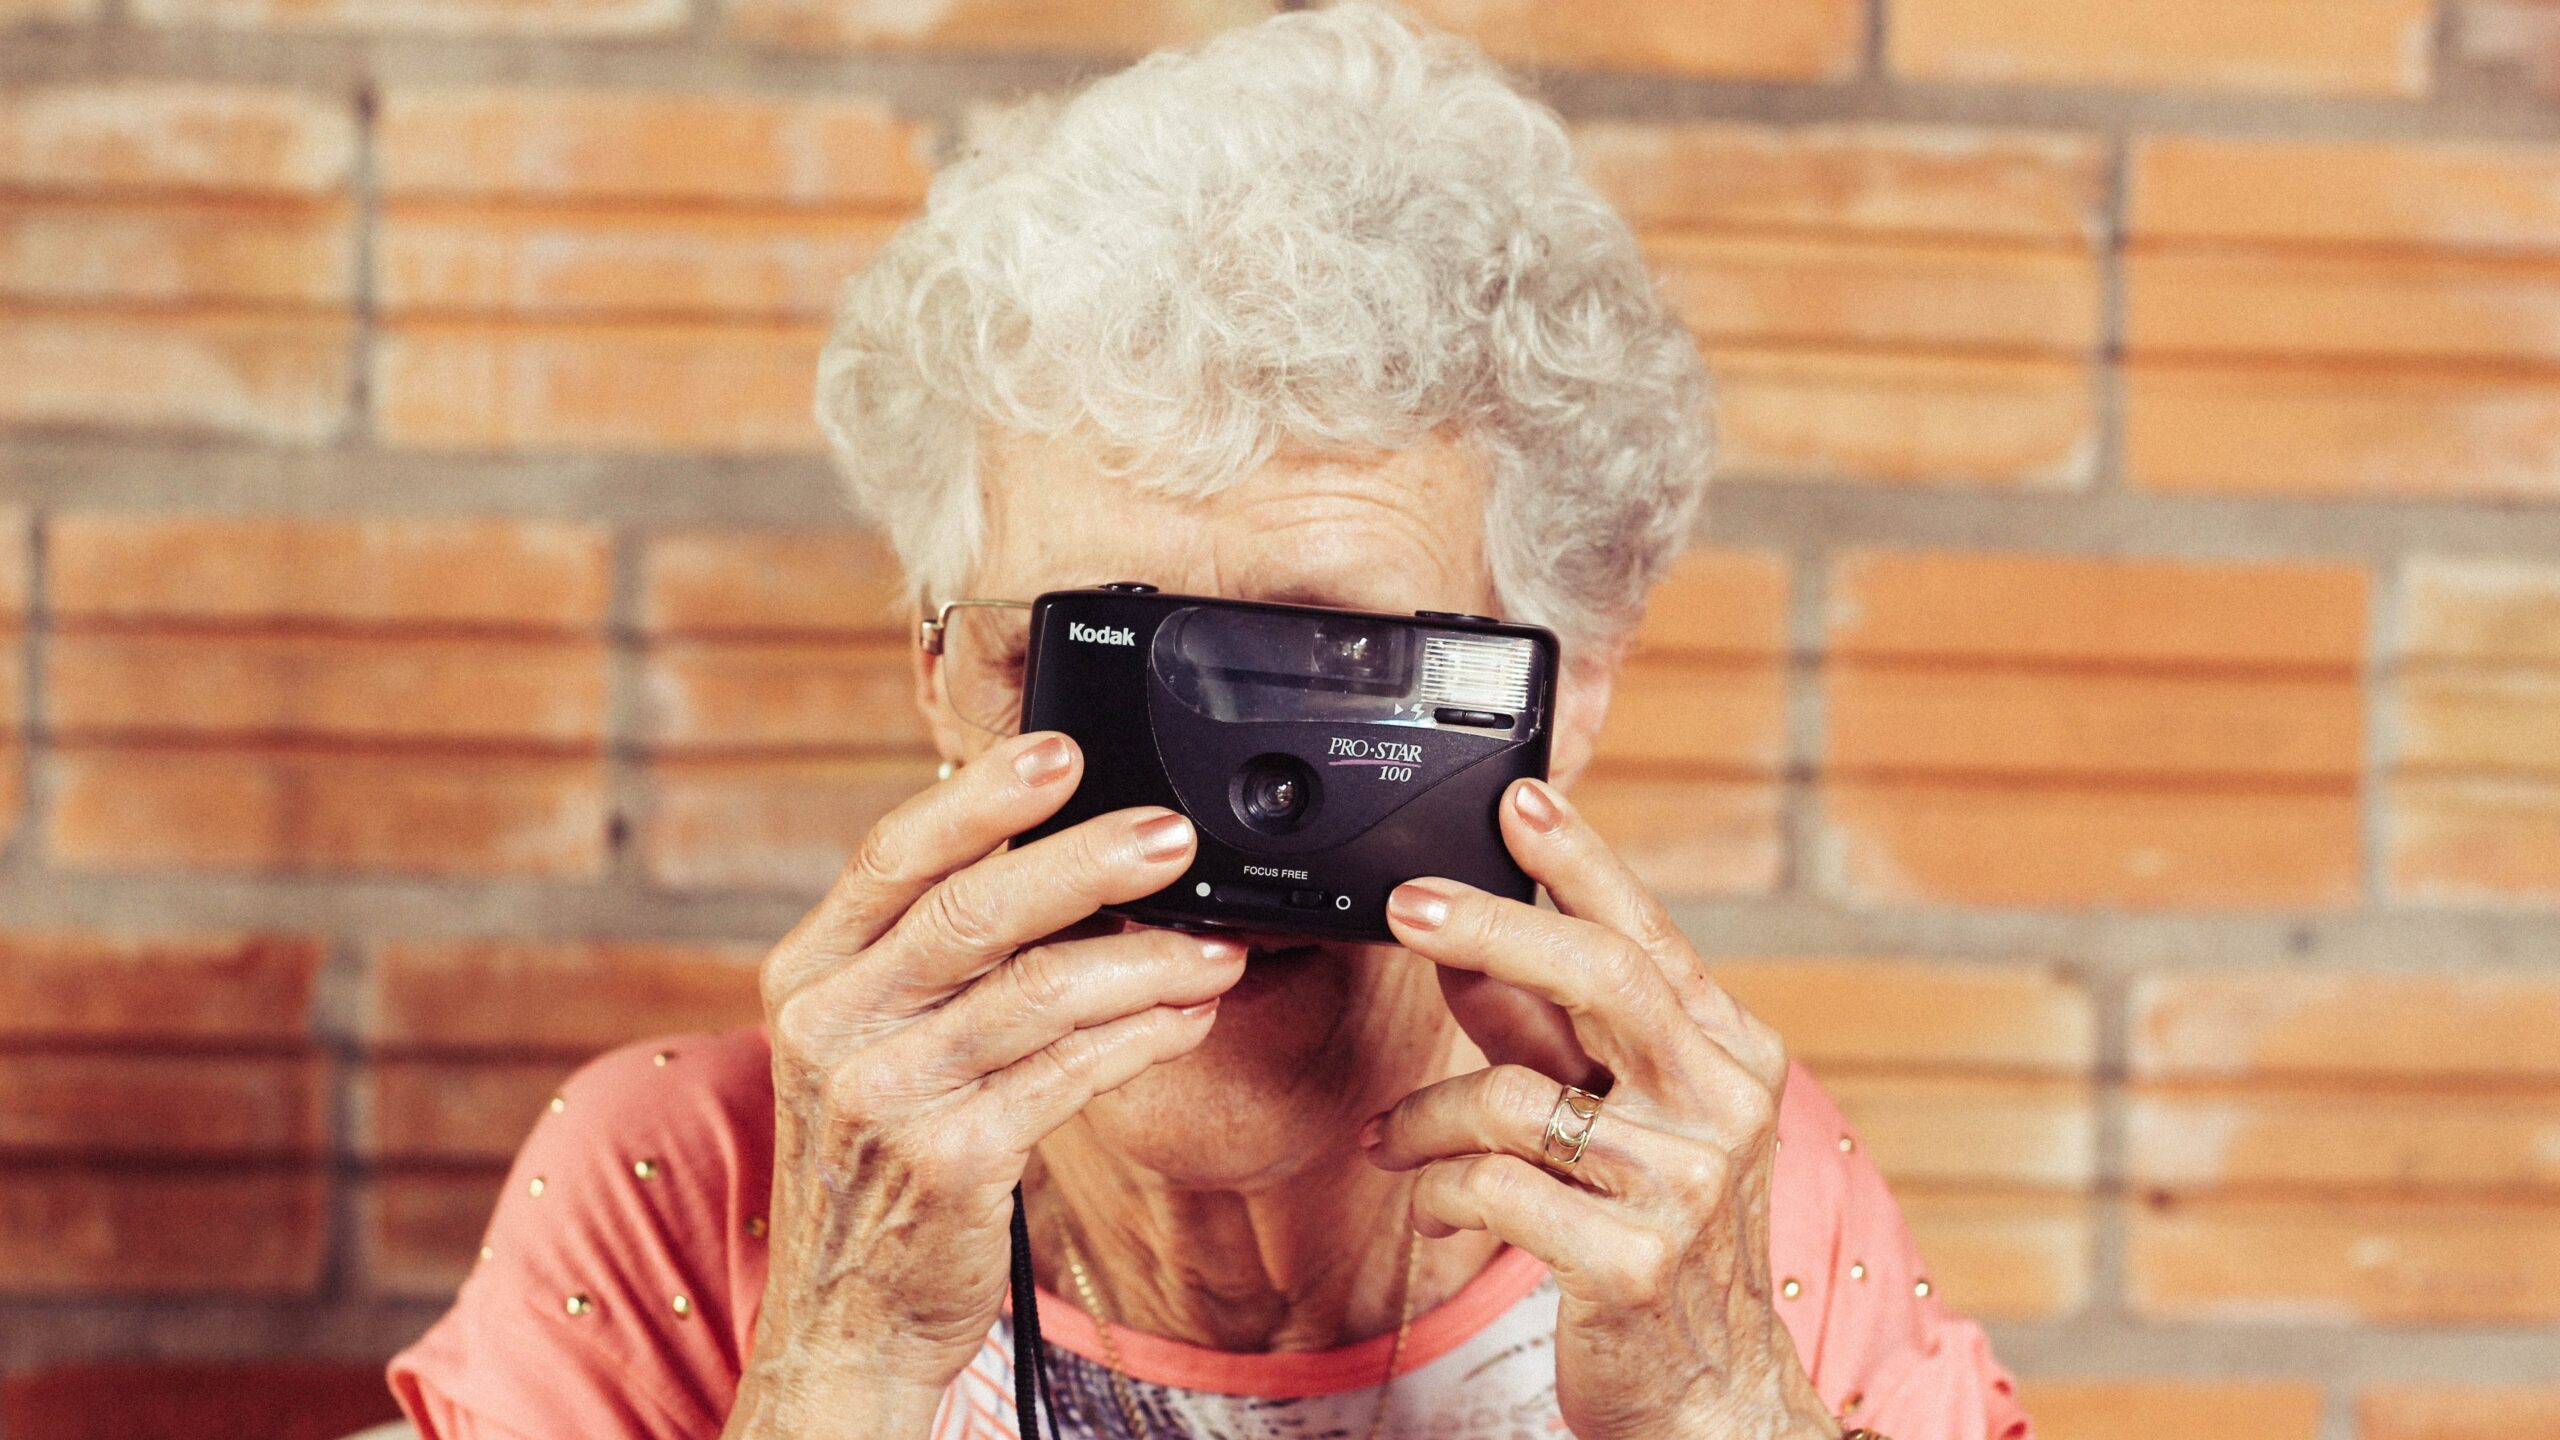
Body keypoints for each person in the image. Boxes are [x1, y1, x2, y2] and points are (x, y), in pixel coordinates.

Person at [388, 7, 2032, 1438]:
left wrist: (1716, 1405)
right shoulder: (690, 1185)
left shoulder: (1706, 1196)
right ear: (940, 679)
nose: (1203, 821)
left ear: (1566, 690)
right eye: (1091, 669)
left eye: (1333, 673)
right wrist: (846, 1356)